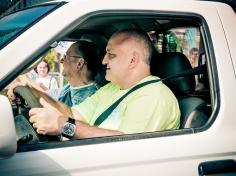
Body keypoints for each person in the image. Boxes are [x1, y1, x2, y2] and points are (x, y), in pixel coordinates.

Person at [29, 29, 180, 139]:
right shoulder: (111, 88)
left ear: (133, 60)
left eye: (111, 55)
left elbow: (126, 145)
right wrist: (30, 89)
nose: (104, 61)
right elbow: (73, 114)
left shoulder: (154, 96)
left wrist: (64, 126)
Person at [7, 40, 100, 107]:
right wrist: (23, 84)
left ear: (79, 63)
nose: (61, 60)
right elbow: (46, 95)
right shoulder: (70, 88)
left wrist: (26, 80)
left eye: (66, 56)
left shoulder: (91, 97)